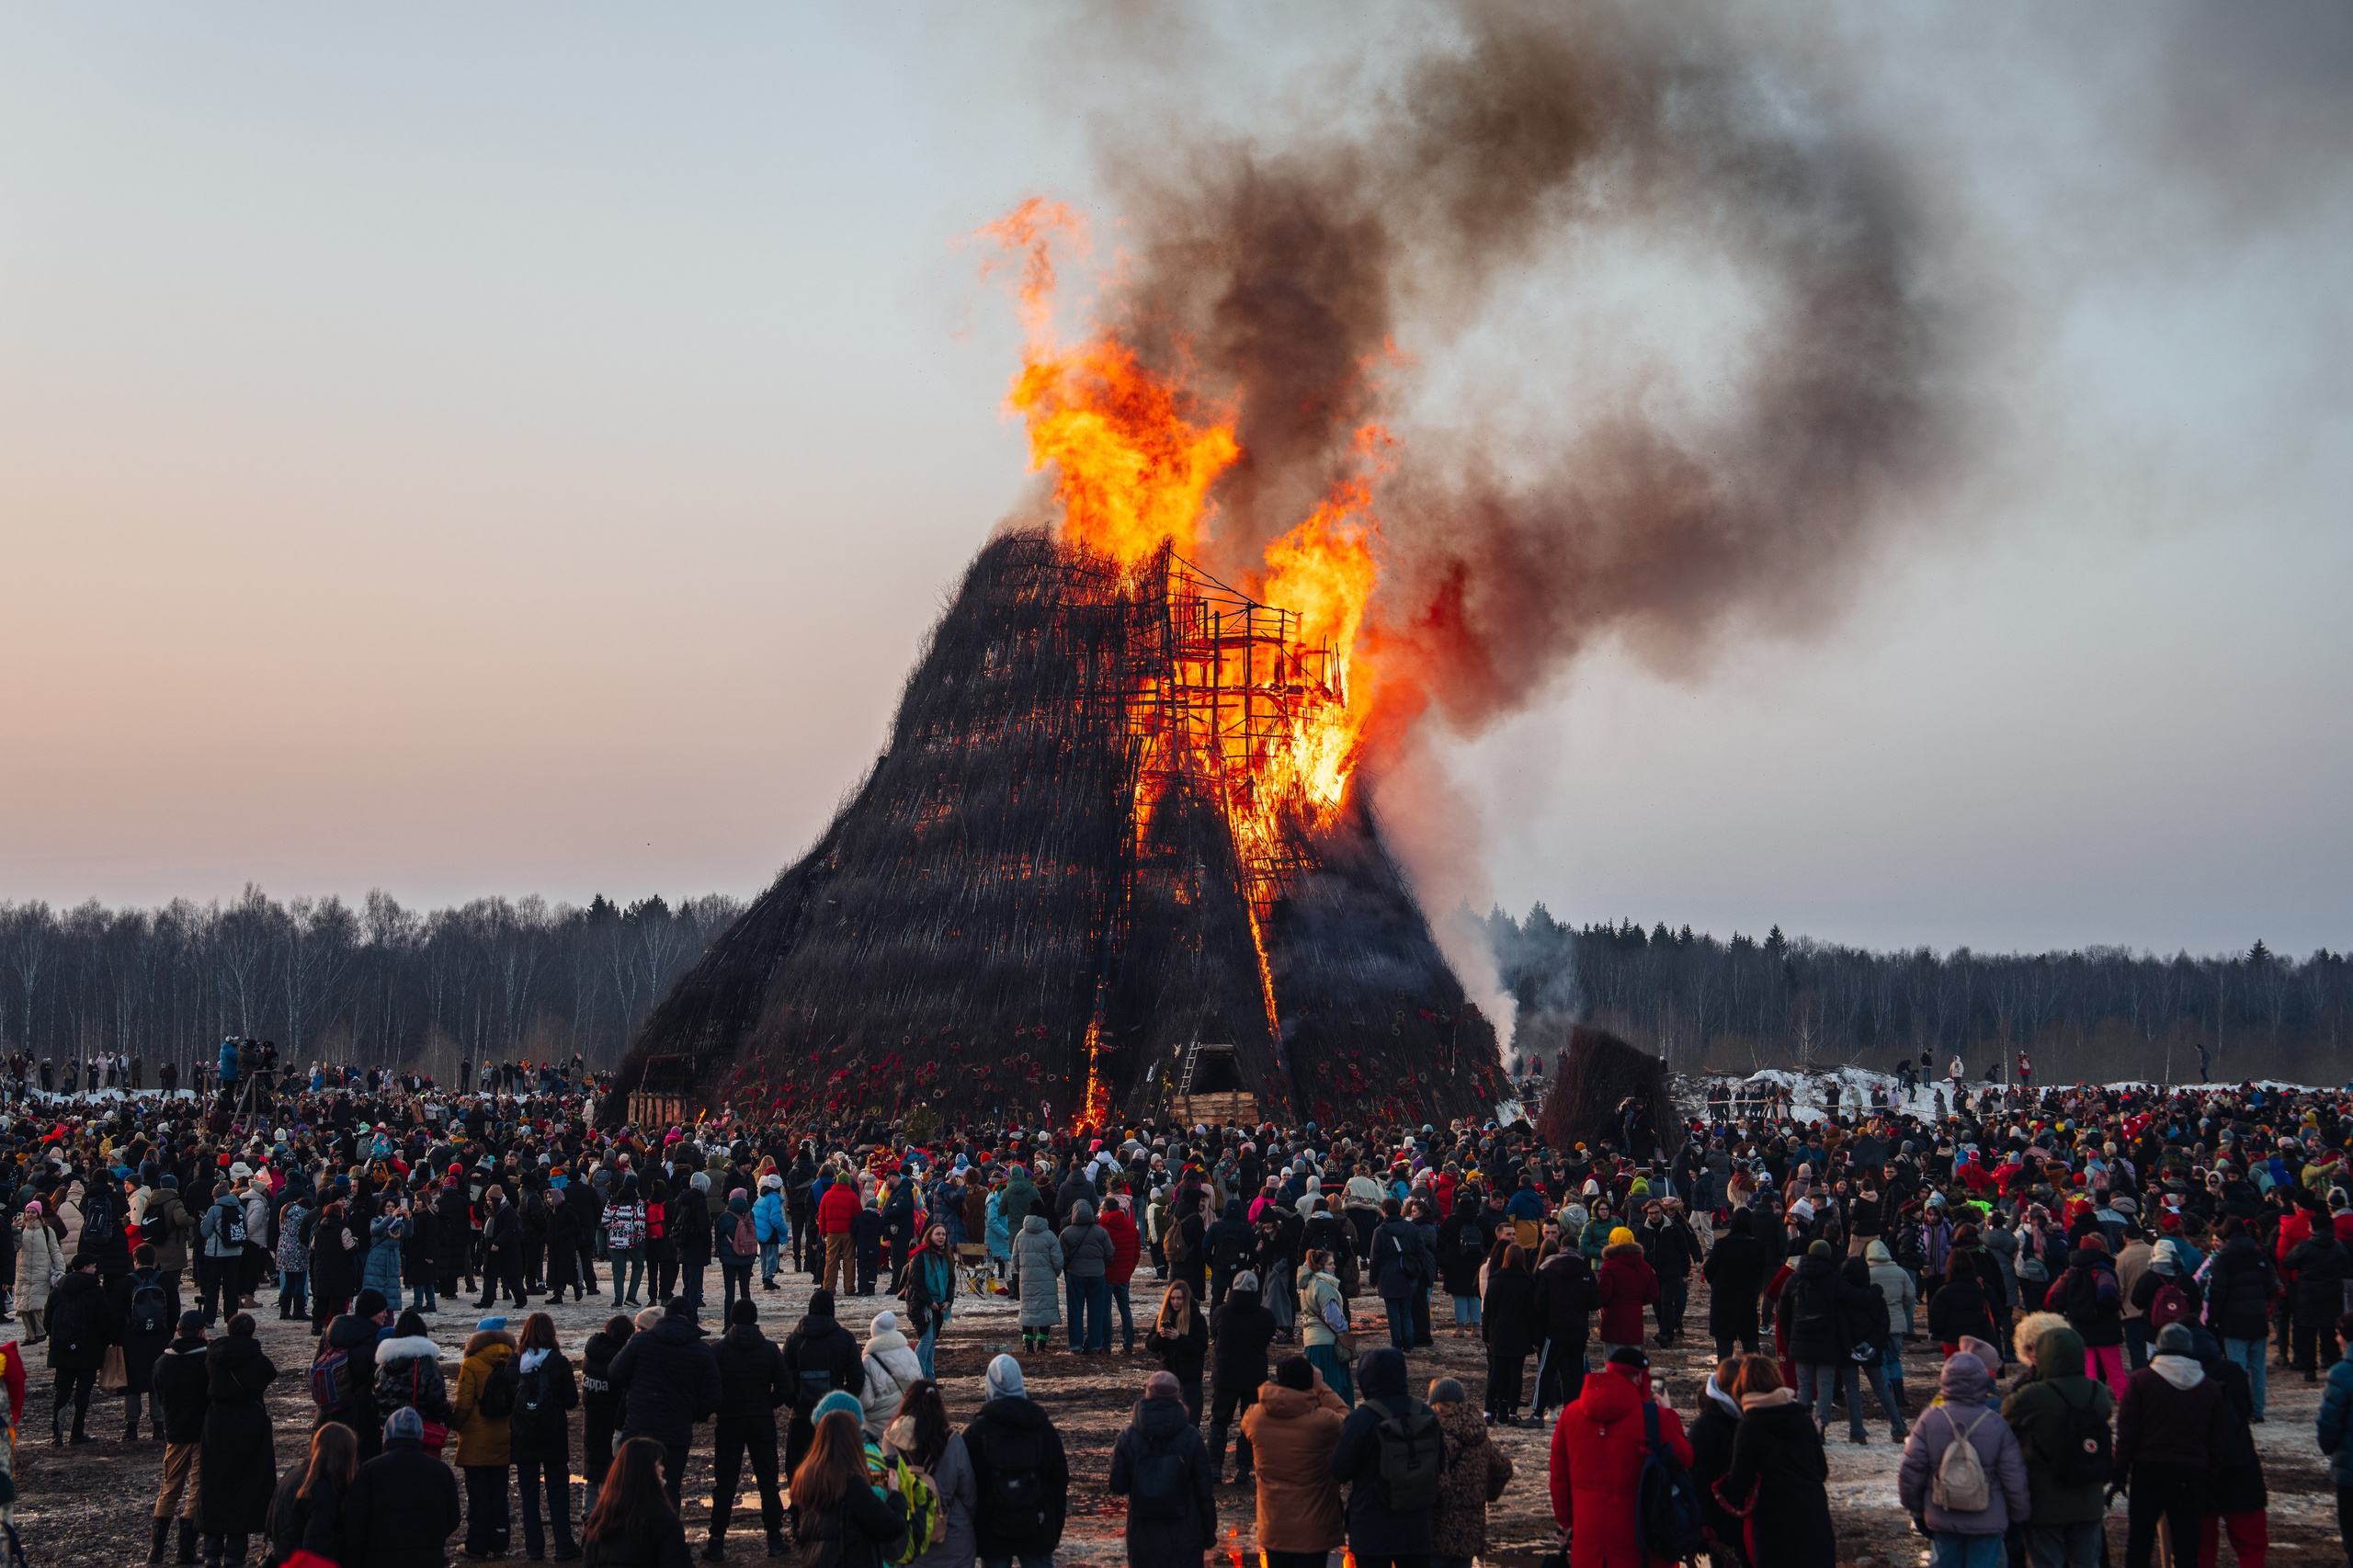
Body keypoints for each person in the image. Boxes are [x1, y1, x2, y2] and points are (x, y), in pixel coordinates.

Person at [1547, 1346, 1689, 1568]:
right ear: (1640, 1377)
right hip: (1642, 1545)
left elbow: (1558, 1479)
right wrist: (1669, 1412)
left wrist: (1566, 1522)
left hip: (1589, 1544)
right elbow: (1685, 1458)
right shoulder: (1653, 1418)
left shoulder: (1571, 1415)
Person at [1896, 1348, 2029, 1568]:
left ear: (1945, 1380)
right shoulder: (1996, 1422)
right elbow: (2013, 1475)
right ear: (1983, 1380)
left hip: (1943, 1512)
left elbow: (1911, 1470)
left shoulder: (1930, 1419)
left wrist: (1917, 1510)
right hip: (1988, 1516)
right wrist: (2018, 1515)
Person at [2112, 1322, 2231, 1568]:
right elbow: (2217, 1439)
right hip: (2192, 1475)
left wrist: (2119, 1472)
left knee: (2139, 1544)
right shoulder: (2209, 1388)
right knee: (2187, 1550)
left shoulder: (2141, 1381)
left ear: (2159, 1347)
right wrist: (2210, 1477)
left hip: (2148, 1472)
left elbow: (2127, 1432)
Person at [2002, 1323, 2113, 1568]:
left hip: (2045, 1502)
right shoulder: (2096, 1391)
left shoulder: (2032, 1395)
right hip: (2088, 1499)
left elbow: (2006, 1415)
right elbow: (2106, 1413)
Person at [1711, 1355, 1836, 1568]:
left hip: (1773, 1525)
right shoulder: (1804, 1420)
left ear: (1742, 1387)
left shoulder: (1749, 1428)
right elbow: (1822, 1471)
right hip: (1813, 1518)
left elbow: (1739, 1484)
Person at [609, 1297, 724, 1509]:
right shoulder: (701, 1350)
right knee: (670, 1488)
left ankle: (635, 1528)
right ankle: (667, 1528)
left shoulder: (641, 1341)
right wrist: (695, 1414)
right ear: (689, 1317)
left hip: (640, 1427)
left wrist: (636, 1392)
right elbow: (713, 1394)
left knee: (634, 1486)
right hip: (677, 1430)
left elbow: (615, 1373)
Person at [1330, 1346, 1437, 1568]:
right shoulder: (1425, 1413)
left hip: (1371, 1527)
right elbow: (1440, 1463)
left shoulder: (1361, 1418)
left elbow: (1340, 1469)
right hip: (1416, 1525)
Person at [1238, 1356, 1347, 1568]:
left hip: (1274, 1526)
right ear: (1310, 1383)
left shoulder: (1255, 1417)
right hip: (1314, 1528)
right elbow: (1348, 1419)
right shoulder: (1323, 1422)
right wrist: (1321, 1387)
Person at [962, 1355, 1068, 1568]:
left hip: (993, 1530)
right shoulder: (1041, 1426)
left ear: (989, 1385)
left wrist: (973, 1531)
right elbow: (1059, 1480)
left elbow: (966, 1487)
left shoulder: (976, 1432)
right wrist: (1055, 1529)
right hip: (1037, 1525)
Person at [1108, 1369, 1218, 1568]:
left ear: (1147, 1394)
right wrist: (1209, 1533)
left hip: (1143, 1537)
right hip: (1186, 1535)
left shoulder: (1128, 1436)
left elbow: (1117, 1485)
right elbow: (1205, 1490)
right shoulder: (1191, 1437)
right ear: (1178, 1396)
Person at [706, 1298, 789, 1559]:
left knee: (725, 1483)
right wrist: (767, 1403)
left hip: (729, 1421)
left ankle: (716, 1541)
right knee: (768, 1481)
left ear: (732, 1319)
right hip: (761, 1420)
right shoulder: (769, 1349)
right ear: (755, 1319)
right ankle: (774, 1539)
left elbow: (710, 1388)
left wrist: (720, 1407)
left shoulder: (719, 1350)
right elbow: (786, 1389)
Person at [342, 1408, 466, 1568]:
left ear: (387, 1434)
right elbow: (453, 1518)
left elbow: (355, 1521)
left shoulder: (369, 1471)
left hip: (380, 1559)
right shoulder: (441, 1471)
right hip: (428, 1559)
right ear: (420, 1434)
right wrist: (431, 1538)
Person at [200, 1313, 278, 1568]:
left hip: (217, 1421)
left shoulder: (212, 1355)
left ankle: (211, 1550)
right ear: (252, 1332)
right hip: (249, 1421)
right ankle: (235, 1552)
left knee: (213, 1483)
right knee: (245, 1485)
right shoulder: (257, 1359)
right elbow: (269, 1373)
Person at [509, 1312, 582, 1562]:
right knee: (558, 1491)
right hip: (553, 1434)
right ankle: (563, 1545)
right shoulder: (558, 1362)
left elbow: (509, 1398)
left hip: (523, 1435)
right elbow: (571, 1401)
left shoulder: (515, 1362)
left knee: (529, 1494)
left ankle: (534, 1548)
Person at [882, 1377, 974, 1568]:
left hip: (909, 1542)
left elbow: (887, 1487)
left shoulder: (890, 1440)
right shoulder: (952, 1441)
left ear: (906, 1403)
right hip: (953, 1544)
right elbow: (969, 1496)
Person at [454, 1316, 519, 1560]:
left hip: (476, 1441)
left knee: (478, 1496)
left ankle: (477, 1544)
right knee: (500, 1493)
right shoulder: (513, 1361)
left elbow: (463, 1404)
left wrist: (456, 1425)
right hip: (504, 1438)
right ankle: (499, 1541)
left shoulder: (471, 1363)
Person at [781, 1288, 864, 1480]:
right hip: (834, 1417)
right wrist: (841, 1401)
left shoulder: (794, 1339)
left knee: (798, 1471)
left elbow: (783, 1378)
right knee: (835, 1470)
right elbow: (857, 1378)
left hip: (801, 1415)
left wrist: (794, 1402)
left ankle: (800, 1498)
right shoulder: (844, 1338)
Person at [1428, 1376, 1510, 1568]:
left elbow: (1436, 1483)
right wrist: (1484, 1493)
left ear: (1436, 1404)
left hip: (1438, 1535)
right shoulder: (1478, 1432)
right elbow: (1503, 1468)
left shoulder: (1438, 1434)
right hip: (1470, 1536)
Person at [152, 1311, 210, 1568]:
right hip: (200, 1433)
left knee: (169, 1489)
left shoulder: (163, 1362)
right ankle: (185, 1550)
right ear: (201, 1332)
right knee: (197, 1490)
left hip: (174, 1433)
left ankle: (155, 1551)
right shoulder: (207, 1360)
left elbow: (159, 1396)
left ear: (178, 1331)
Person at [1209, 1267, 1279, 1483]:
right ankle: (1244, 1469)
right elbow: (1268, 1339)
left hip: (1225, 1375)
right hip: (1254, 1377)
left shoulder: (1220, 1313)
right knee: (1250, 1424)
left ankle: (1215, 1467)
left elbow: (1214, 1334)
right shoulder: (1265, 1316)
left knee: (1219, 1422)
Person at [583, 1436, 695, 1568]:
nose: (662, 1469)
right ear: (646, 1472)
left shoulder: (600, 1518)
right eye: (658, 1464)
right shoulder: (663, 1520)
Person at [265, 1422, 358, 1568]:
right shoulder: (323, 1492)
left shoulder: (292, 1474)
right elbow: (317, 1549)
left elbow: (270, 1524)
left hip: (284, 1559)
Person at [1685, 1359, 1748, 1568]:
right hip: (1721, 1523)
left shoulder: (1745, 1419)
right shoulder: (1706, 1426)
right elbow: (1696, 1479)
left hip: (1743, 1520)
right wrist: (1705, 1529)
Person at [44, 1253, 108, 1444]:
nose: (95, 1270)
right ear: (86, 1268)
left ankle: (57, 1434)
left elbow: (47, 1321)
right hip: (88, 1350)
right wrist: (104, 1343)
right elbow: (104, 1322)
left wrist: (58, 1339)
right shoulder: (96, 1291)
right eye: (93, 1266)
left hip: (61, 1349)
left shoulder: (58, 1289)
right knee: (83, 1393)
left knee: (62, 1390)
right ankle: (77, 1432)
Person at [1531, 1241, 1598, 1420]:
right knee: (1575, 1373)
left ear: (1561, 1249)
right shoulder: (1586, 1271)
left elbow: (1539, 1303)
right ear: (1577, 1249)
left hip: (1555, 1329)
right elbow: (1595, 1302)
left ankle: (1538, 1414)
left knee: (1546, 1371)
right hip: (1578, 1329)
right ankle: (1572, 1411)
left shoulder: (1549, 1270)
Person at [1481, 1244, 1540, 1426]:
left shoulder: (1495, 1280)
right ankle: (1512, 1412)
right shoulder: (1527, 1282)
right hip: (1520, 1332)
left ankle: (1488, 1411)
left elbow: (1487, 1311)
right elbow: (1531, 1314)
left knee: (1496, 1373)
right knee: (1516, 1374)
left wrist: (1486, 1336)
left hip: (1498, 1331)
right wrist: (1536, 1338)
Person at [580, 1314, 635, 1506]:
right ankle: (610, 1512)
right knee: (613, 1473)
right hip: (611, 1421)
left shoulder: (591, 1354)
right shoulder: (618, 1359)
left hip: (590, 1420)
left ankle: (588, 1511)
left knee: (592, 1472)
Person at [1143, 1279, 1210, 1424]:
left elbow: (1201, 1347)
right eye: (1172, 1298)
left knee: (1190, 1421)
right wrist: (1160, 1336)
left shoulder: (1197, 1319)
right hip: (1167, 1377)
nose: (1175, 1302)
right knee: (1165, 1421)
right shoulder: (1163, 1317)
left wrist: (1179, 1338)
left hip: (1190, 1378)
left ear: (1186, 1299)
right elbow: (1150, 1345)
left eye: (1179, 1298)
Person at [1369, 1199, 1428, 1352]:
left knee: (1393, 1313)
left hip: (1387, 1275)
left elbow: (1375, 1258)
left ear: (1385, 1212)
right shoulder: (1412, 1229)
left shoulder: (1379, 1232)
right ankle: (1408, 1342)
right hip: (1407, 1273)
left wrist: (1373, 1279)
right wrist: (1417, 1270)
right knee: (1406, 1311)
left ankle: (1396, 1343)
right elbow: (1421, 1252)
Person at [2318, 1309, 2353, 1568]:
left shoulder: (2341, 1373)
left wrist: (2328, 1447)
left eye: (2339, 1333)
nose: (2336, 1339)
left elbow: (2329, 1422)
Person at [1593, 1225, 1658, 1362]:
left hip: (1613, 1321)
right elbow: (1654, 1294)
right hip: (1635, 1322)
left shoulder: (1610, 1266)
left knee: (1614, 1365)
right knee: (1633, 1365)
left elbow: (1604, 1295)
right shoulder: (1644, 1266)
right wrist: (1636, 1301)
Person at [1297, 1249, 1354, 1405]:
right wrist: (1344, 1327)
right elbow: (1333, 1319)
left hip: (1311, 1342)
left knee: (1315, 1390)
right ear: (1320, 1266)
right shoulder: (1323, 1286)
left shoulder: (1307, 1284)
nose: (1334, 1267)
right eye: (1330, 1264)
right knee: (1334, 1389)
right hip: (1327, 1346)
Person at [1059, 1199, 1114, 1355]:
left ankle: (1075, 1344)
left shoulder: (1066, 1233)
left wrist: (1067, 1268)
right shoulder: (1101, 1232)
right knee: (1096, 1310)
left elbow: (1062, 1257)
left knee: (1075, 1310)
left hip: (1075, 1275)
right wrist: (1102, 1264)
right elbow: (1110, 1252)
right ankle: (1094, 1344)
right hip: (1097, 1275)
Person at [904, 1223, 957, 1379]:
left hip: (939, 1304)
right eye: (937, 1234)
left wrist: (948, 1302)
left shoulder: (947, 1256)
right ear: (930, 1236)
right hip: (921, 1305)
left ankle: (929, 1377)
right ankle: (918, 1376)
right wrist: (929, 1302)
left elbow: (951, 1282)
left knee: (931, 1341)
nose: (941, 1237)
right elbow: (917, 1283)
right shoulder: (920, 1256)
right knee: (926, 1339)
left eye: (943, 1234)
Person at [858, 1310, 925, 1432]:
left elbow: (866, 1402)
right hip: (907, 1423)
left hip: (879, 1429)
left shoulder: (869, 1360)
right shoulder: (910, 1353)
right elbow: (919, 1388)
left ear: (874, 1332)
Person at [1012, 1212, 1063, 1354]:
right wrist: (1055, 1273)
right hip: (1046, 1281)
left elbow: (1015, 1259)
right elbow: (1058, 1260)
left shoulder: (1020, 1235)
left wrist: (1023, 1271)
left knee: (1028, 1312)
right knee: (1045, 1312)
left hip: (1026, 1281)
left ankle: (1028, 1346)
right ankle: (1041, 1345)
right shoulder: (1050, 1236)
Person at [13, 1201, 62, 1344]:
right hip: (23, 1272)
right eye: (28, 1212)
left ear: (39, 1214)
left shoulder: (47, 1231)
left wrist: (59, 1268)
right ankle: (29, 1335)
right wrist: (14, 1229)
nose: (30, 1215)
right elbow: (13, 1247)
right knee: (23, 1306)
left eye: (33, 1212)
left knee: (37, 1305)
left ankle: (40, 1332)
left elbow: (55, 1250)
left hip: (41, 1272)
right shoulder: (21, 1230)